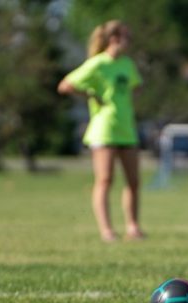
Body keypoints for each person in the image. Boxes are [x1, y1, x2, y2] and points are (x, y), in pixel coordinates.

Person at [58, 20, 145, 242]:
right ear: (114, 38)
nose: (130, 42)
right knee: (105, 180)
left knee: (133, 182)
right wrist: (90, 94)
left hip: (126, 128)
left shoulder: (127, 64)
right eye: (127, 37)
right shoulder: (97, 64)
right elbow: (65, 85)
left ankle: (133, 227)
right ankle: (107, 230)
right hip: (103, 129)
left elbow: (136, 88)